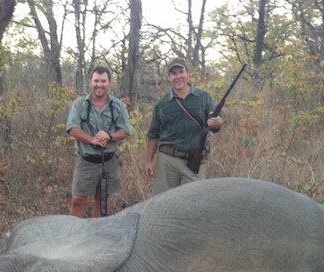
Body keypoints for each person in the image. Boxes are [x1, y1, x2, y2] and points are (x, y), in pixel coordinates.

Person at [145, 57, 222, 196]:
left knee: (193, 205)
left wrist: (217, 123)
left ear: (187, 74)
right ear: (169, 77)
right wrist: (149, 161)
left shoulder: (204, 97)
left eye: (181, 72)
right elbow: (153, 134)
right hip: (167, 162)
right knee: (163, 203)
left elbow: (216, 123)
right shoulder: (161, 103)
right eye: (174, 74)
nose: (178, 77)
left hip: (195, 161)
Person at [67, 66, 130, 217]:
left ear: (109, 82)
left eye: (103, 81)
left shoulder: (118, 105)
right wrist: (93, 140)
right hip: (86, 160)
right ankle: (73, 236)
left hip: (108, 161)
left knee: (101, 200)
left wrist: (109, 135)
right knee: (78, 199)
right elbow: (72, 129)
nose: (99, 85)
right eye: (96, 81)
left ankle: (96, 234)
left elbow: (125, 132)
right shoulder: (79, 104)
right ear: (90, 82)